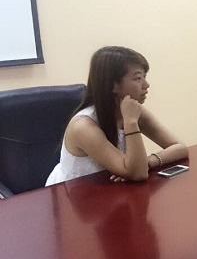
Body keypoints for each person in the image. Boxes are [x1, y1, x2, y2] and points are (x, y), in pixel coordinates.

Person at [46, 46, 188, 186]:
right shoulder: (83, 125)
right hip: (73, 194)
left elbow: (180, 147)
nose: (146, 85)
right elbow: (138, 173)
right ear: (113, 85)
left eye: (144, 77)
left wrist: (150, 161)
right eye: (138, 78)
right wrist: (131, 122)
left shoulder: (132, 111)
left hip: (111, 190)